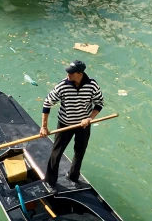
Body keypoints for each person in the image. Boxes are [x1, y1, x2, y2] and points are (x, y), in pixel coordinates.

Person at [39, 60, 104, 193]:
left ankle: (73, 177)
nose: (68, 74)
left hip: (83, 125)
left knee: (80, 152)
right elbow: (47, 103)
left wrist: (89, 118)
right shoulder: (63, 86)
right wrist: (44, 127)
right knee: (56, 154)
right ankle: (50, 182)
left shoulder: (92, 85)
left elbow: (99, 103)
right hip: (65, 123)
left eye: (71, 73)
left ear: (80, 73)